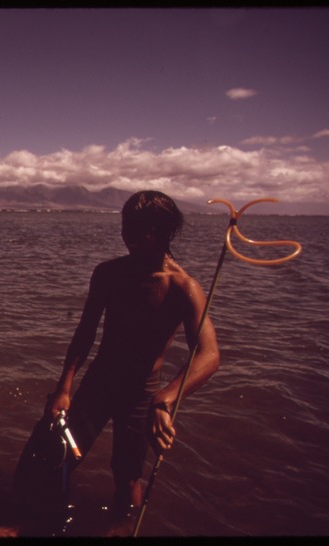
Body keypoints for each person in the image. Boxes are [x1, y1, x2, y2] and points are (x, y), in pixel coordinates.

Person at [47, 190, 220, 534]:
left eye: (137, 231)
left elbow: (209, 354)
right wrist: (63, 387)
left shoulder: (184, 287)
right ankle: (33, 519)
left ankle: (120, 527)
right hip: (100, 381)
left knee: (127, 476)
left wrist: (165, 399)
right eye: (124, 228)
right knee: (57, 455)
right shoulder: (108, 273)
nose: (126, 238)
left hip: (142, 392)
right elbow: (84, 334)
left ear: (160, 231)